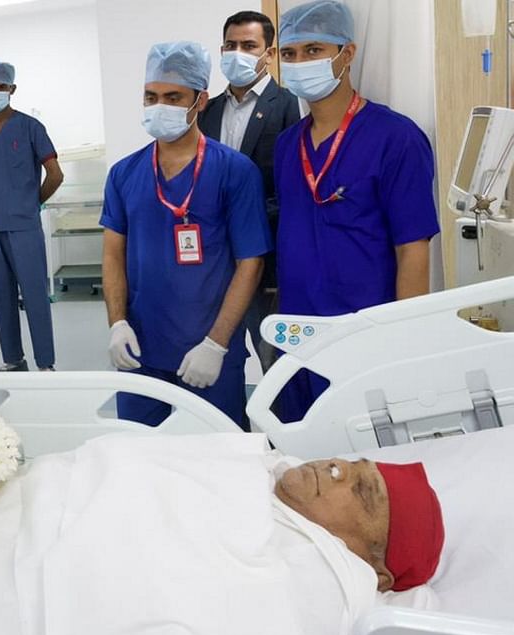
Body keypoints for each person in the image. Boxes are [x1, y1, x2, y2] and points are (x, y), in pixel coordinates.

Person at [273, 0, 438, 421]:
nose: (299, 62)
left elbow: (413, 249)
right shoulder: (287, 145)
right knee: (302, 460)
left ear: (347, 54)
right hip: (299, 337)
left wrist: (403, 342)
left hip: (367, 338)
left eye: (313, 50)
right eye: (289, 54)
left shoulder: (396, 138)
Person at [101, 42, 271, 428]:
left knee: (219, 463)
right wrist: (116, 323)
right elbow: (112, 254)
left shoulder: (235, 171)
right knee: (138, 461)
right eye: (151, 96)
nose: (160, 106)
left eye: (174, 97)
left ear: (201, 101)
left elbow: (251, 263)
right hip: (139, 349)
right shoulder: (125, 174)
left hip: (209, 350)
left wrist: (217, 344)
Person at [269, 454, 444, 635]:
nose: (336, 465)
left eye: (361, 490)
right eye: (352, 464)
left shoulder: (326, 588)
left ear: (378, 575)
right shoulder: (263, 467)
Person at [199, 10, 302, 370]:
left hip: (265, 256)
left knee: (274, 359)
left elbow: (294, 190)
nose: (237, 52)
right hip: (214, 258)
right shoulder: (207, 111)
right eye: (231, 45)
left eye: (249, 45)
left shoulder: (290, 106)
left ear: (269, 54)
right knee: (216, 356)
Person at [0, 62, 64, 372]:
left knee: (34, 295)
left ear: (12, 89)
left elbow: (55, 175)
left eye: (1, 87)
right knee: (2, 298)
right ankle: (13, 359)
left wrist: (29, 203)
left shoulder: (31, 127)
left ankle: (45, 363)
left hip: (24, 227)